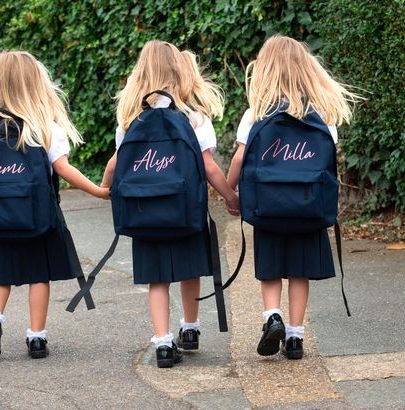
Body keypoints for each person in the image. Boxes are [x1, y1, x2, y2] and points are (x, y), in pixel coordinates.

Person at [0, 51, 110, 359]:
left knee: (0, 273)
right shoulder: (46, 128)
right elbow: (63, 168)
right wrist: (97, 190)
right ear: (37, 85)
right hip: (38, 215)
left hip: (0, 216)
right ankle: (37, 337)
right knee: (38, 275)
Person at [101, 40, 239, 368]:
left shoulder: (131, 117)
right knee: (190, 269)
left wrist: (104, 187)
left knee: (157, 278)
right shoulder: (192, 116)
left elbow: (116, 163)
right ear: (179, 70)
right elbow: (208, 166)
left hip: (144, 211)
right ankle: (189, 329)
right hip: (184, 208)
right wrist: (231, 196)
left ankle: (163, 343)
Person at [227, 35, 361, 359]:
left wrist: (231, 193)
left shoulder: (256, 113)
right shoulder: (323, 115)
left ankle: (273, 317)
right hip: (308, 205)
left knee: (271, 269)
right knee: (300, 271)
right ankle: (297, 337)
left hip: (268, 205)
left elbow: (239, 159)